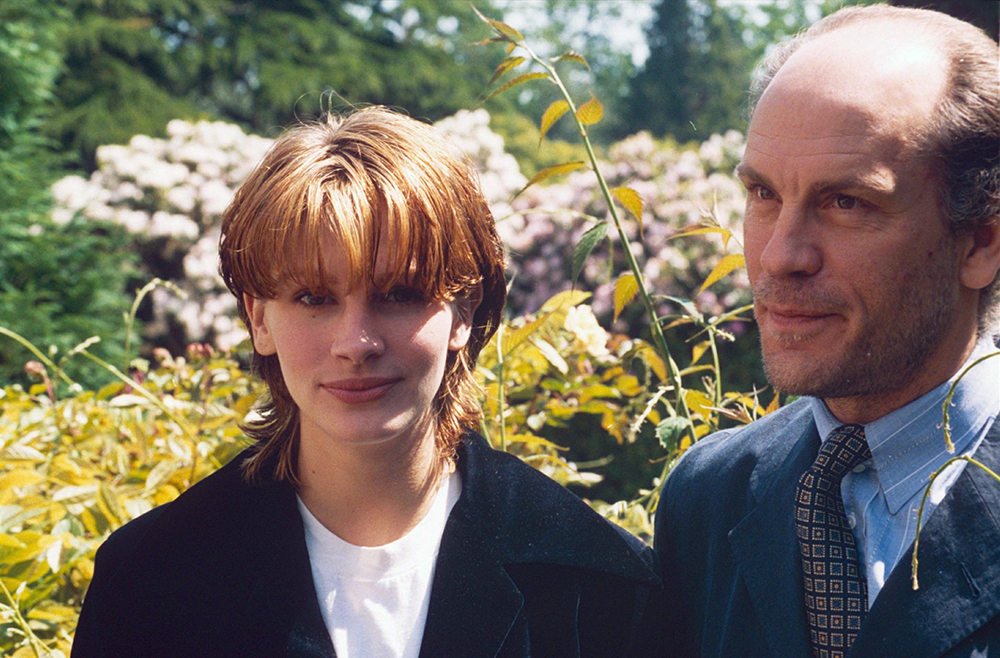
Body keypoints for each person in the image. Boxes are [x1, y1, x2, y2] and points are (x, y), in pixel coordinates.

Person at [72, 107, 662, 658]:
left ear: (464, 310)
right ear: (258, 318)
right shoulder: (149, 585)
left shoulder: (597, 582)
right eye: (314, 298)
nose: (356, 343)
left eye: (399, 295)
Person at [654, 5, 1000, 658]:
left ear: (980, 241)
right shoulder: (704, 499)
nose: (781, 255)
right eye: (763, 195)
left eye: (847, 203)